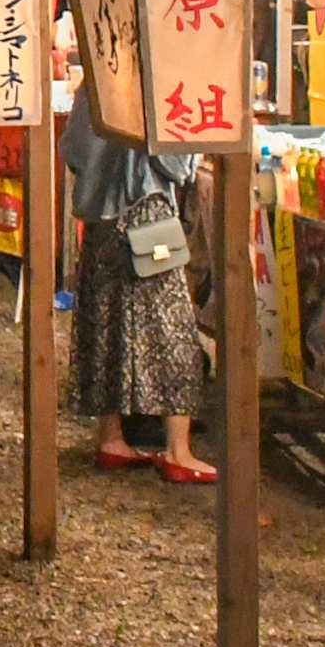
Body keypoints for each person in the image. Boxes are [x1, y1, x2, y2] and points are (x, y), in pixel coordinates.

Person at [65, 73, 213, 484]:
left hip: (100, 220)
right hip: (147, 215)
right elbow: (176, 165)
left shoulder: (93, 82)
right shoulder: (158, 84)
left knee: (105, 324)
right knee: (175, 333)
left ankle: (111, 437)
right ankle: (178, 450)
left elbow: (74, 151)